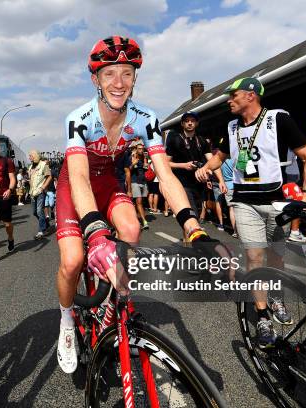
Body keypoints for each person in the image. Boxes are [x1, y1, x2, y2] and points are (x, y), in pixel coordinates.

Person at [55, 36, 217, 374]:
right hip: (76, 184)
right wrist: (96, 233)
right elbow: (80, 179)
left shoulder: (146, 118)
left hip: (109, 183)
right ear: (95, 80)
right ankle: (66, 318)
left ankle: (113, 308)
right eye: (109, 74)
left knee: (131, 229)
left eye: (126, 73)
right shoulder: (79, 118)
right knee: (73, 260)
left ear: (135, 78)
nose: (119, 83)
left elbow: (166, 176)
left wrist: (193, 227)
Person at [196, 77, 306, 348]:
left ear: (251, 95)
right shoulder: (230, 127)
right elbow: (221, 155)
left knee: (276, 257)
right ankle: (262, 316)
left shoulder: (278, 120)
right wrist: (207, 167)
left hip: (275, 202)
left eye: (234, 95)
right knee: (254, 256)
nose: (229, 100)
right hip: (245, 202)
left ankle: (276, 296)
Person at [166, 111, 226, 240]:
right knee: (189, 216)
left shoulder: (202, 140)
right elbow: (166, 164)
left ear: (196, 123)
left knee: (196, 216)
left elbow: (213, 161)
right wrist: (184, 165)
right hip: (182, 184)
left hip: (199, 184)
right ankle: (189, 246)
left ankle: (191, 242)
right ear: (182, 123)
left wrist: (221, 180)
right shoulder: (175, 140)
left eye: (192, 121)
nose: (189, 123)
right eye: (187, 121)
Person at [124, 142, 149, 229]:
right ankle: (144, 221)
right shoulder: (132, 157)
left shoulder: (144, 157)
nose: (141, 150)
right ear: (136, 149)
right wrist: (133, 164)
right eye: (139, 149)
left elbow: (145, 169)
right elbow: (127, 170)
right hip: (134, 181)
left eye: (142, 149)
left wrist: (146, 166)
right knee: (139, 201)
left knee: (140, 202)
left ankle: (135, 218)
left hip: (143, 182)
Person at [28, 150, 52, 240]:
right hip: (32, 193)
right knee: (34, 212)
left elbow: (49, 176)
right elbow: (30, 179)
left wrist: (43, 187)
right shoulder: (30, 167)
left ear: (35, 156)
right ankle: (45, 223)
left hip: (40, 192)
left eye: (30, 155)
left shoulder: (43, 165)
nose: (29, 157)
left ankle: (41, 231)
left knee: (39, 211)